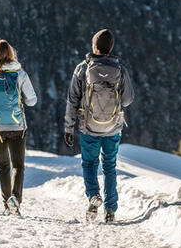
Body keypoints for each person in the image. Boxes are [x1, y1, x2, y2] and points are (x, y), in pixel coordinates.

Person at [63, 29, 134, 223]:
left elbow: (72, 100)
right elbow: (128, 100)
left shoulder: (83, 68)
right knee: (109, 166)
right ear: (110, 48)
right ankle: (110, 208)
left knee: (90, 164)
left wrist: (68, 127)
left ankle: (94, 196)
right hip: (112, 127)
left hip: (89, 127)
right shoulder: (120, 69)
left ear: (94, 47)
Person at [0, 39, 37, 216]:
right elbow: (33, 100)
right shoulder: (19, 73)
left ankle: (6, 204)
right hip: (18, 126)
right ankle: (15, 199)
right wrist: (22, 101)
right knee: (18, 165)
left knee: (3, 166)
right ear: (11, 53)